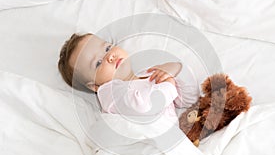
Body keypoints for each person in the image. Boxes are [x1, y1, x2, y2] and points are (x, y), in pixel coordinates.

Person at [58, 33, 199, 117]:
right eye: (98, 63)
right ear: (95, 86)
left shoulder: (149, 75)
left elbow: (190, 99)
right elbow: (145, 108)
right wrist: (168, 84)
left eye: (107, 48)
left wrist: (177, 69)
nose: (110, 56)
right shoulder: (110, 94)